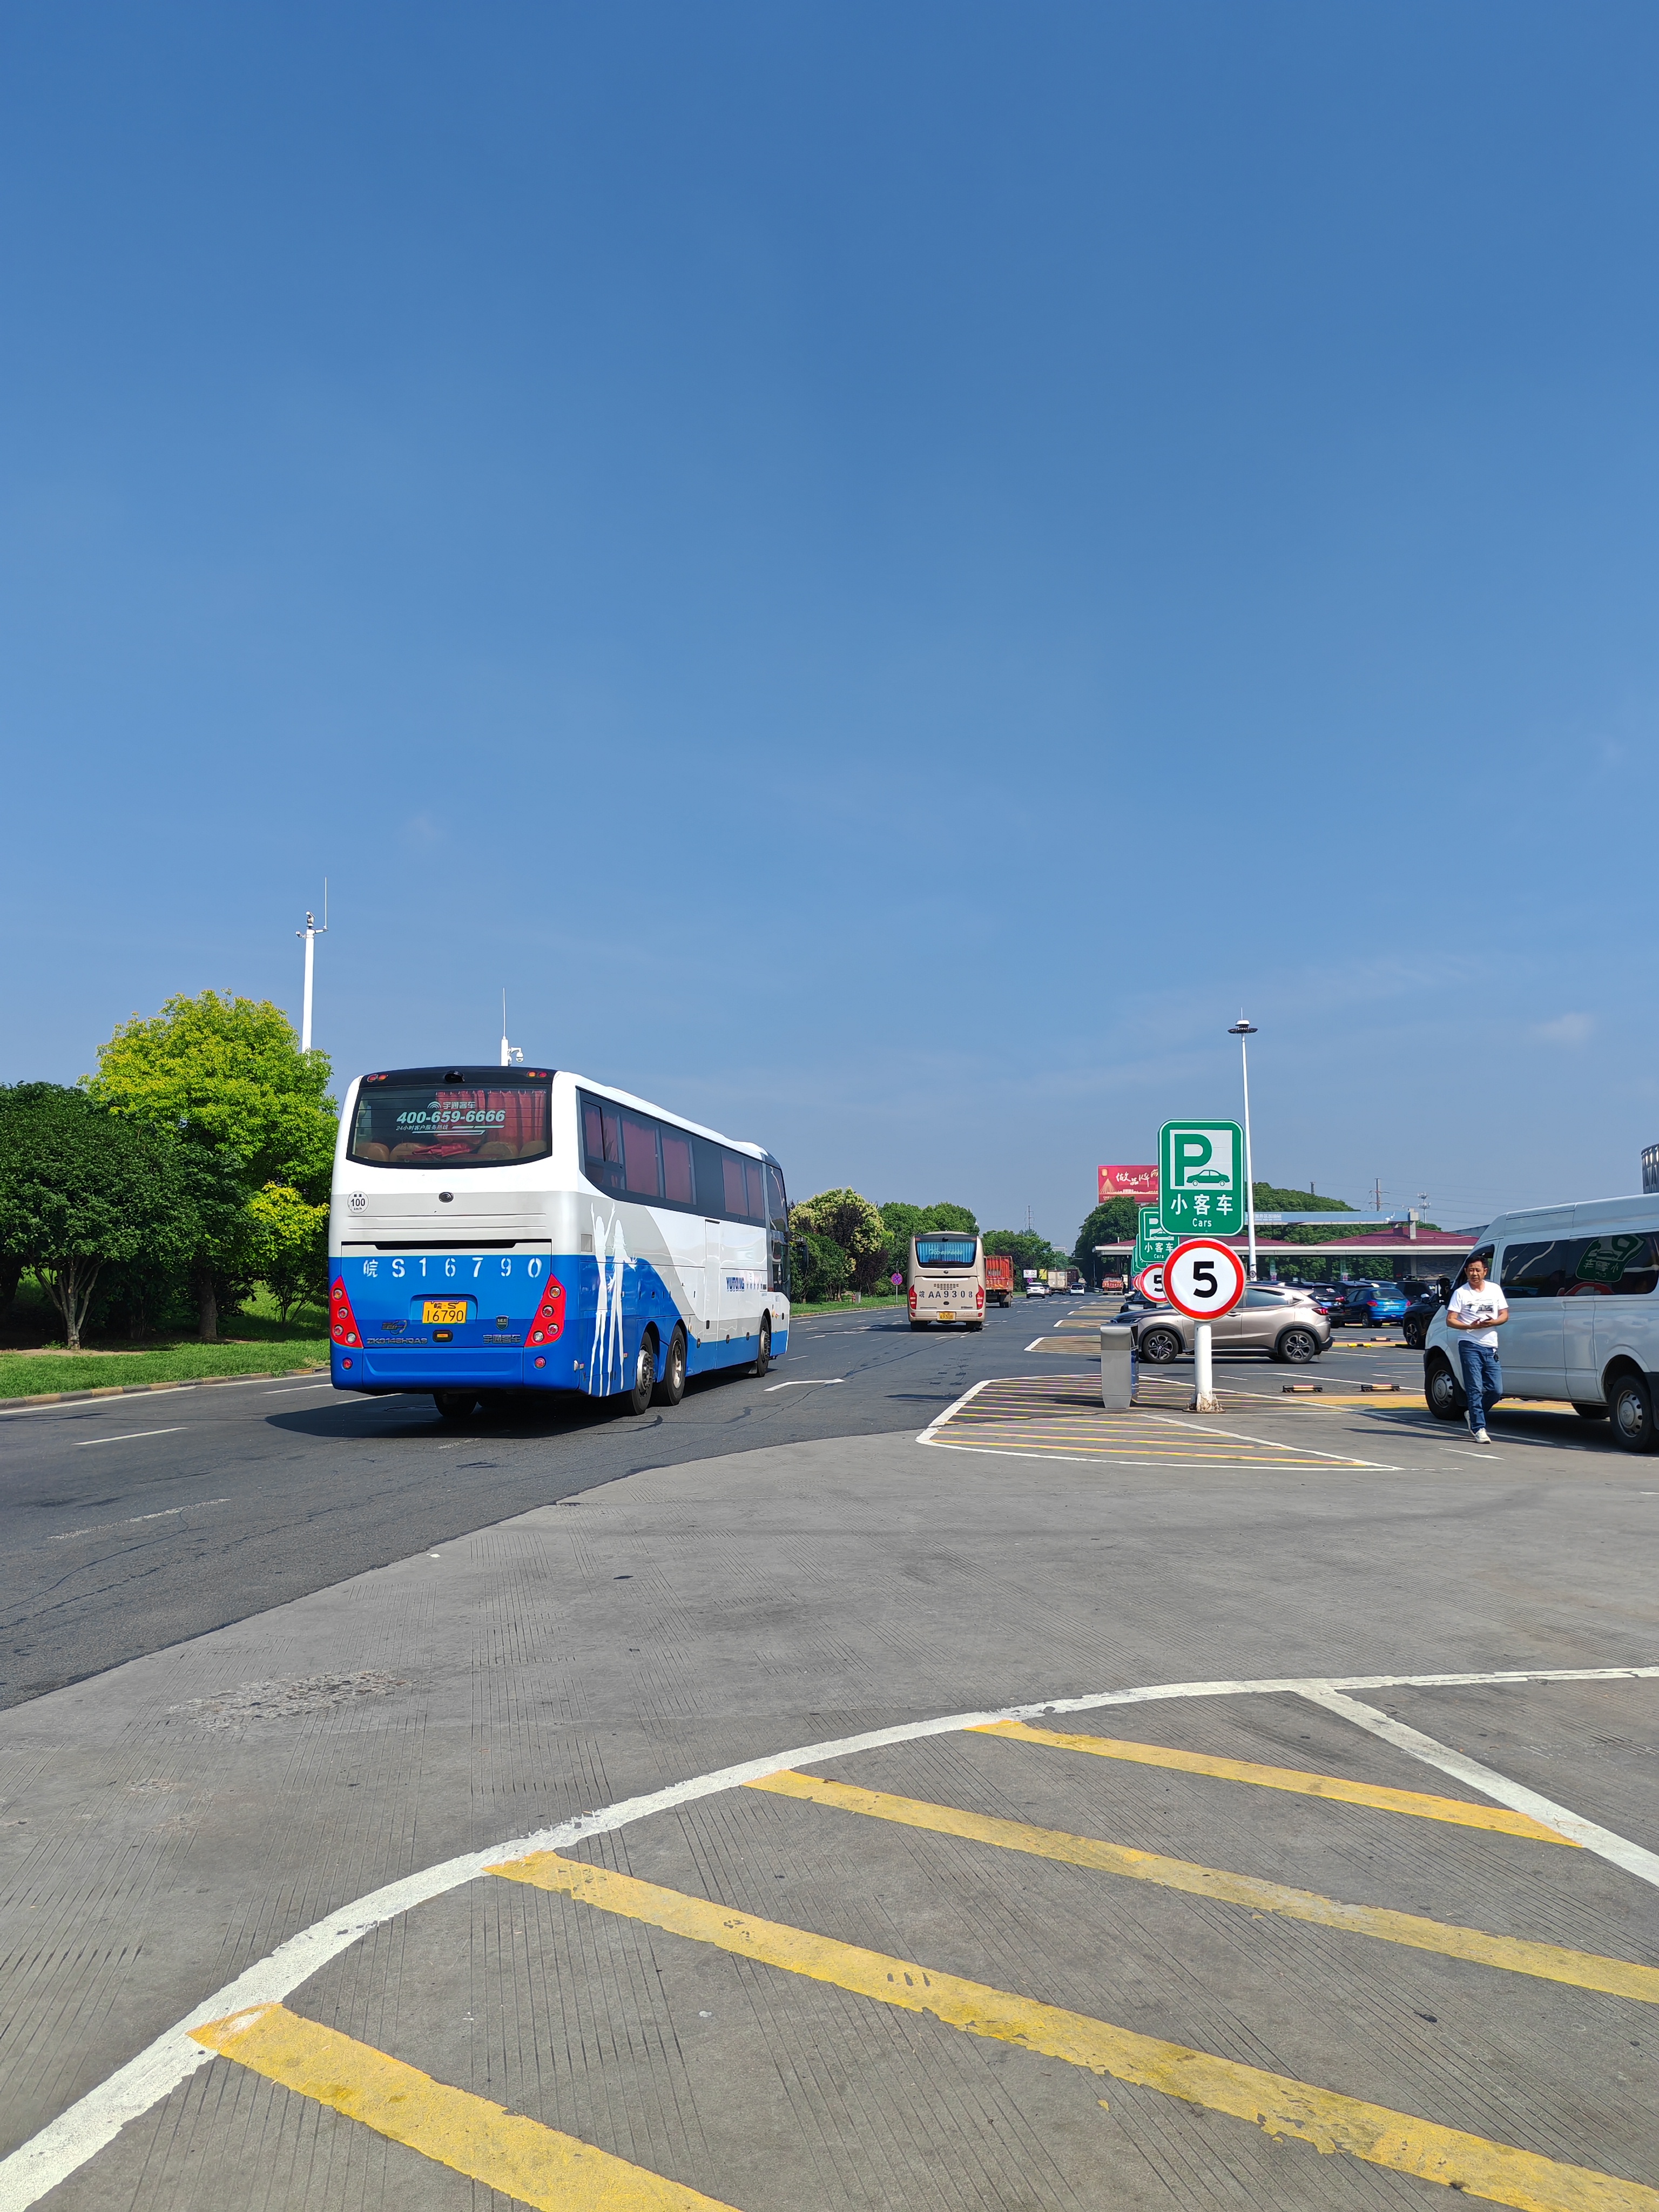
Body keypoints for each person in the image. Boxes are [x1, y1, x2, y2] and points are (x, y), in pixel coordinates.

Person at [1447, 1254, 1507, 1441]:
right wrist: (1470, 1326)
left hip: (1491, 1345)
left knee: (1496, 1390)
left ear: (1485, 1272)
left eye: (1478, 1270)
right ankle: (1479, 1428)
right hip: (1469, 1344)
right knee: (1475, 1388)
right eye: (1471, 1270)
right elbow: (1450, 1320)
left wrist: (1493, 1322)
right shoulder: (1461, 1293)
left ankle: (1473, 1414)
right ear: (1466, 1272)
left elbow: (1504, 1315)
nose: (1474, 1274)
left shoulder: (1494, 1290)